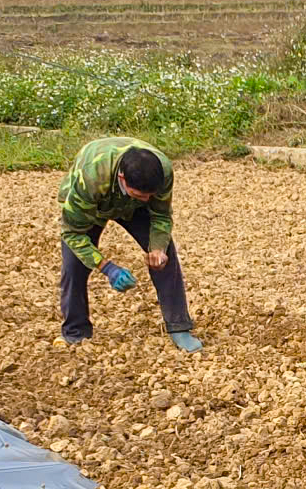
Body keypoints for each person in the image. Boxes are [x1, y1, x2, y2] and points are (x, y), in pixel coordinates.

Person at [58, 136, 202, 352]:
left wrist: (158, 248)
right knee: (74, 265)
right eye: (139, 194)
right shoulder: (90, 178)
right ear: (122, 178)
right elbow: (73, 234)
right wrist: (106, 267)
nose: (146, 199)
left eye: (149, 195)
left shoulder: (163, 171)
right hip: (94, 204)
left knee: (166, 257)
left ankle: (179, 326)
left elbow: (161, 216)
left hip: (132, 208)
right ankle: (75, 331)